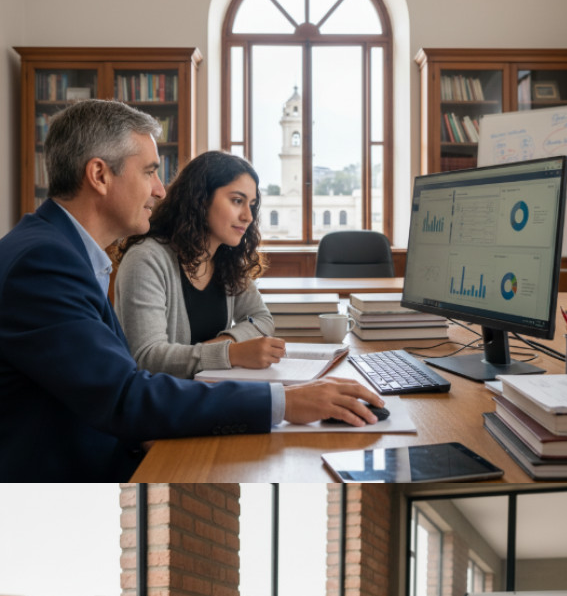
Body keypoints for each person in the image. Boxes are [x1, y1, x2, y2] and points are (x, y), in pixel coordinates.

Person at [0, 99, 382, 482]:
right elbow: (124, 394)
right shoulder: (45, 261)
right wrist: (285, 401)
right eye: (149, 171)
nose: (160, 190)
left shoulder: (62, 251)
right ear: (100, 175)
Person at [113, 150, 286, 378]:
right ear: (201, 200)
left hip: (207, 392)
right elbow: (147, 357)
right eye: (237, 201)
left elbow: (262, 319)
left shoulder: (228, 258)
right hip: (164, 404)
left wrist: (225, 344)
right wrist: (230, 353)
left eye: (251, 205)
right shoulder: (146, 259)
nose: (248, 216)